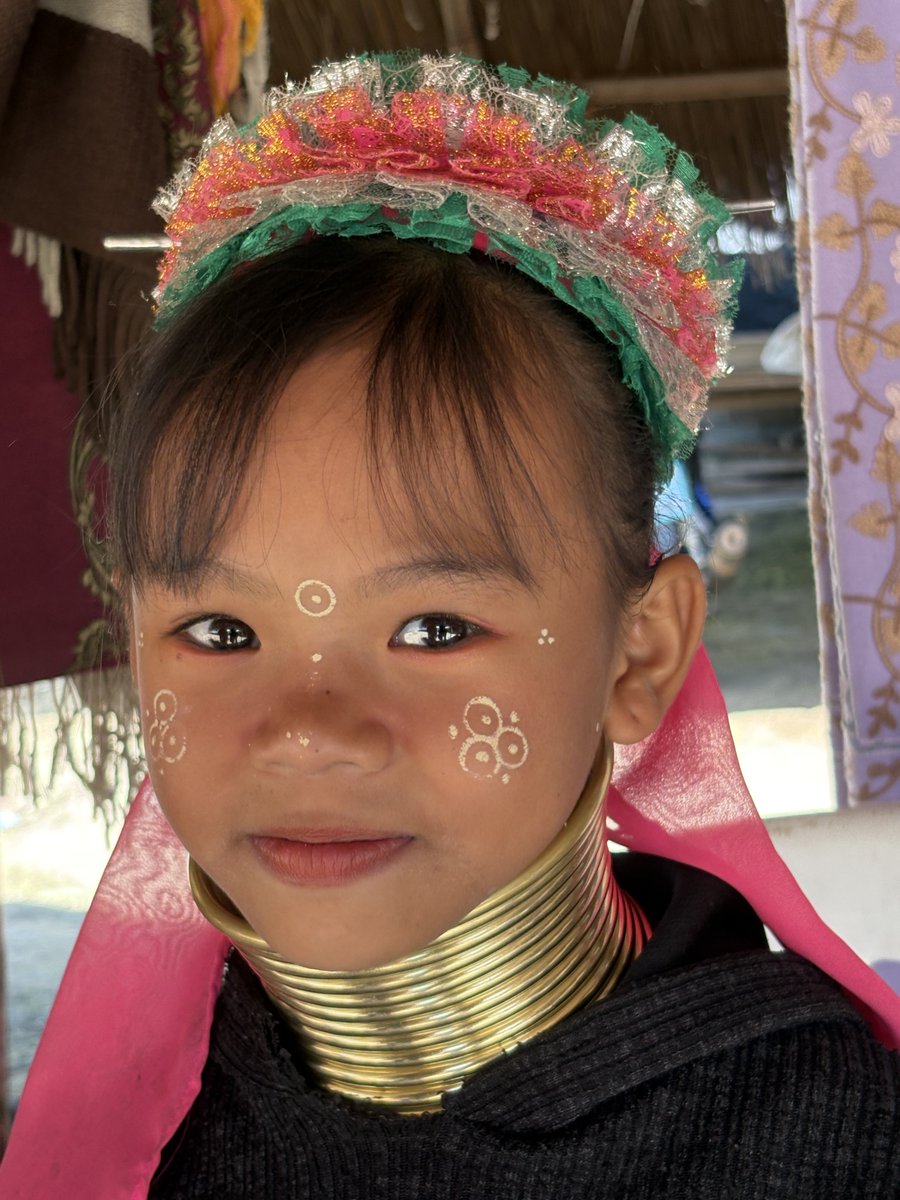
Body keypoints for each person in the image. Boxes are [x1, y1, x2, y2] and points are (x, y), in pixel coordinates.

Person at [2, 52, 899, 1199]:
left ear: (643, 651)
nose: (307, 732)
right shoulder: (154, 1138)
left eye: (433, 628)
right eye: (222, 631)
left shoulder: (839, 1149)